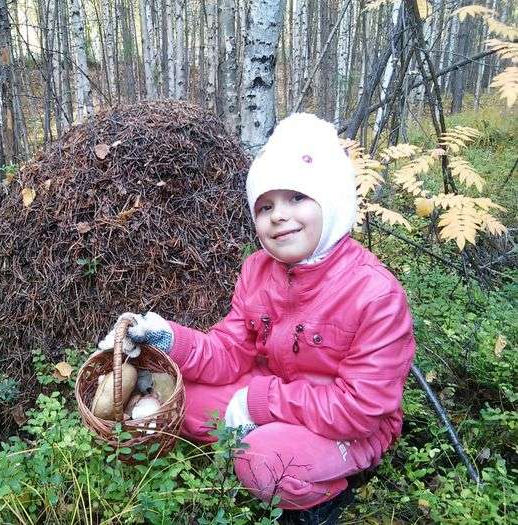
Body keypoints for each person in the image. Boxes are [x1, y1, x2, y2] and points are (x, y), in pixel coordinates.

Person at [98, 113, 416, 523]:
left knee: (263, 460)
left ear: (332, 200)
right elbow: (229, 351)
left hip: (349, 427)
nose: (279, 216)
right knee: (179, 397)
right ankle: (262, 440)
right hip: (277, 393)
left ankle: (329, 489)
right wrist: (164, 338)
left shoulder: (375, 294)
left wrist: (258, 403)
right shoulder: (257, 270)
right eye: (265, 206)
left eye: (298, 198)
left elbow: (360, 408)